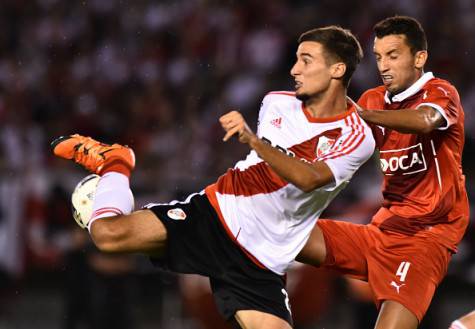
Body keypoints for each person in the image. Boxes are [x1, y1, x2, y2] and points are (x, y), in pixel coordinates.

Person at [51, 25, 375, 329]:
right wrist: (257, 145)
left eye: (306, 61)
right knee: (107, 235)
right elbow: (267, 173)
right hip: (218, 214)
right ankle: (116, 163)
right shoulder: (277, 103)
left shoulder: (358, 135)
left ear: (337, 69)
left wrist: (254, 141)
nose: (294, 70)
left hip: (260, 257)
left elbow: (309, 178)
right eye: (295, 60)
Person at [297, 16, 469, 329]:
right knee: (278, 229)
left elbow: (426, 120)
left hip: (426, 237)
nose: (384, 65)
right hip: (382, 230)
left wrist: (365, 116)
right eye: (378, 57)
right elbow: (343, 152)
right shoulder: (373, 99)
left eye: (393, 55)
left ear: (419, 58)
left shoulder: (441, 92)